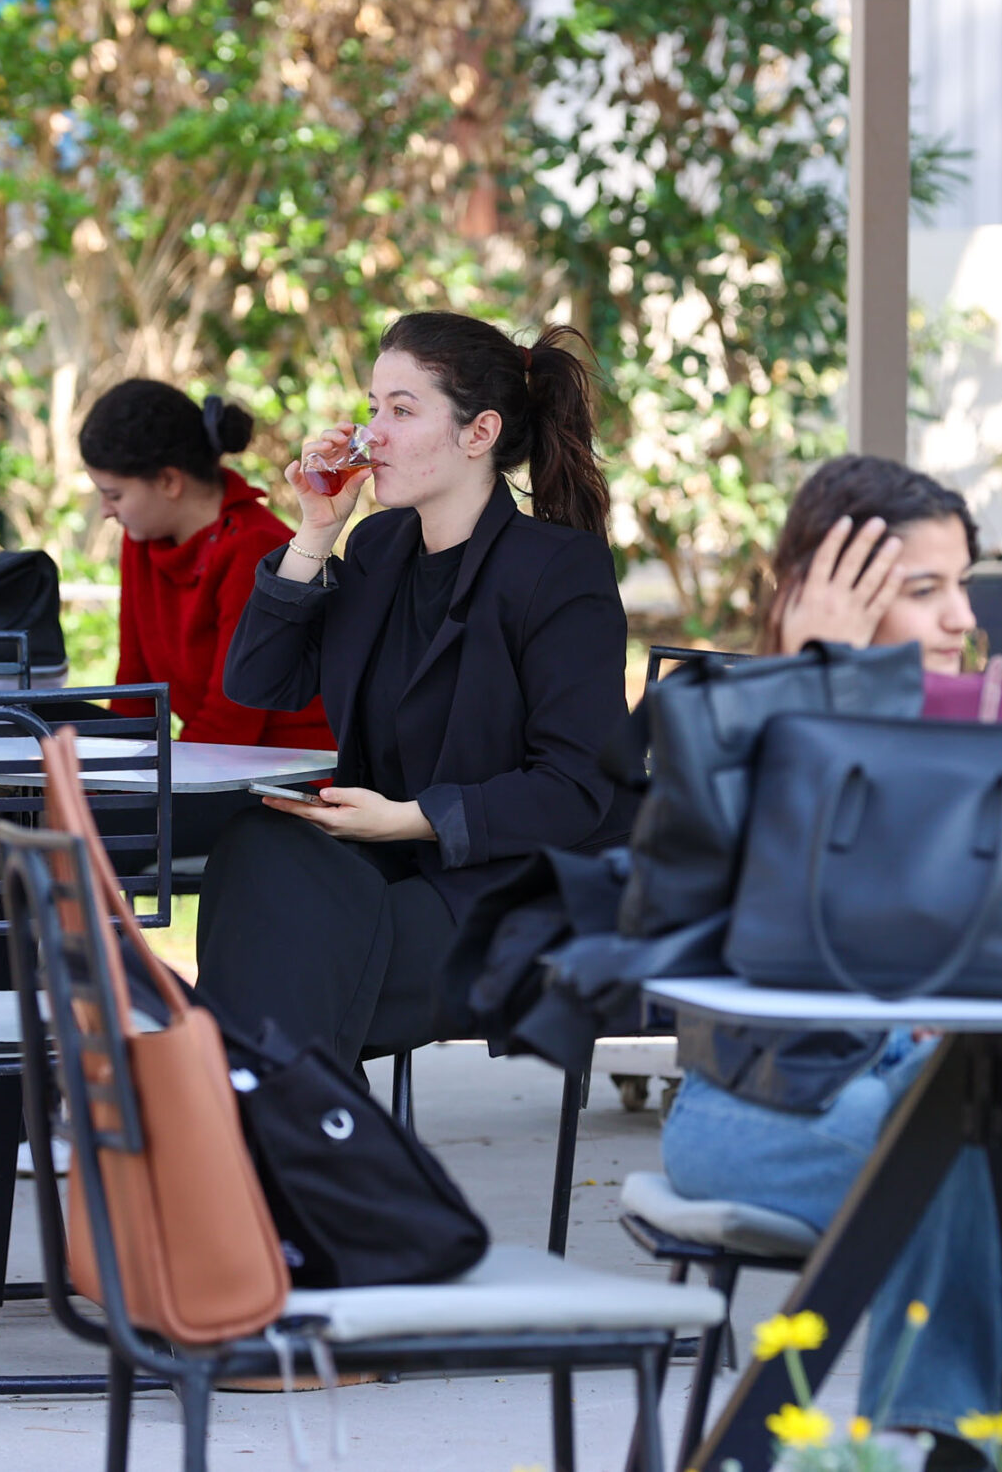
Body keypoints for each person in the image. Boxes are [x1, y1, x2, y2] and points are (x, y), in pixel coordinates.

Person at [663, 456, 1002, 1472]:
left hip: (934, 1092)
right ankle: (932, 1440)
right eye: (924, 591)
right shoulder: (726, 730)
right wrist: (818, 680)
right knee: (997, 1161)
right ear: (826, 596)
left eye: (963, 583)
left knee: (994, 1138)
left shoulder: (989, 735)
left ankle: (934, 1442)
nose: (959, 617)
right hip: (758, 1112)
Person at [197, 314, 633, 1068]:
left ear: (479, 432)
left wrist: (407, 821)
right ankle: (301, 1150)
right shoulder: (376, 546)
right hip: (392, 869)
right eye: (372, 407)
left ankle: (264, 1144)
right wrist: (312, 533)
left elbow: (575, 788)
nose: (373, 435)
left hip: (517, 887)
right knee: (254, 848)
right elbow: (260, 682)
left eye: (402, 410)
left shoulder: (558, 570)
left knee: (290, 963)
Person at [76, 381, 334, 857]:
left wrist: (117, 791)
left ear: (170, 482)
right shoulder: (142, 543)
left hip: (280, 779)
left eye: (113, 494)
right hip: (209, 765)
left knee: (60, 831)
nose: (106, 511)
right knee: (32, 786)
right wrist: (108, 773)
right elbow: (134, 685)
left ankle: (81, 933)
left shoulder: (255, 547)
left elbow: (233, 719)